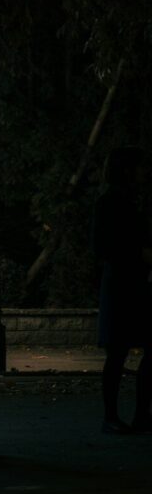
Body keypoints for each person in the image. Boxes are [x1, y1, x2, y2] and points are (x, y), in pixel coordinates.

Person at [93, 146, 152, 434]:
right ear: (127, 170)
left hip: (127, 282)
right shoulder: (115, 203)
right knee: (118, 353)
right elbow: (103, 246)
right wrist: (138, 254)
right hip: (125, 283)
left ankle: (122, 416)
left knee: (118, 353)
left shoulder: (120, 201)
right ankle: (124, 415)